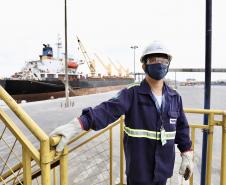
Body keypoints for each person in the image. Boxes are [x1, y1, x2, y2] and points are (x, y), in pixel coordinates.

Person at [50, 41, 194, 185]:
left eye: (163, 60)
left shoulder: (175, 97)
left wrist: (187, 153)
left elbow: (182, 128)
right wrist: (78, 124)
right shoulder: (132, 93)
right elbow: (107, 110)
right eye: (153, 59)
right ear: (144, 65)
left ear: (168, 64)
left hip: (163, 172)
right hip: (139, 173)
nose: (159, 63)